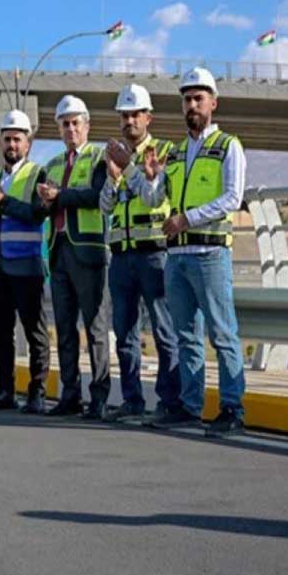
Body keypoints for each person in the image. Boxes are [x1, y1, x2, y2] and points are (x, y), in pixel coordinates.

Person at [129, 67, 248, 437]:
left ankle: (232, 408)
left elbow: (233, 197)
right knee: (187, 337)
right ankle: (190, 406)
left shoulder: (229, 146)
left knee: (223, 334)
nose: (192, 105)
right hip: (177, 257)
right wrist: (144, 177)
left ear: (213, 103)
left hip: (210, 254)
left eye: (199, 98)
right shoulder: (177, 153)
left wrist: (187, 219)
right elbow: (153, 200)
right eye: (187, 99)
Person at [99, 84, 181, 423]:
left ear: (149, 117)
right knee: (125, 332)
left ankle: (169, 400)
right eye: (124, 115)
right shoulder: (114, 156)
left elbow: (153, 199)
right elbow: (105, 206)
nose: (130, 120)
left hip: (154, 254)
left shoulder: (163, 151)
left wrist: (129, 168)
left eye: (136, 114)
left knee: (164, 330)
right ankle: (132, 398)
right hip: (120, 256)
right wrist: (113, 180)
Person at [37, 95, 112, 419]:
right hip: (58, 251)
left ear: (86, 125)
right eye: (64, 124)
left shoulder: (98, 158)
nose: (70, 129)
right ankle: (70, 394)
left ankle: (99, 398)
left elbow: (97, 196)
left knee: (95, 328)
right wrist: (45, 201)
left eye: (75, 123)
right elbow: (46, 205)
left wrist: (59, 196)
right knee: (64, 328)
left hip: (88, 251)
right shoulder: (52, 165)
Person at [0, 109, 51, 414]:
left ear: (27, 143)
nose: (12, 145)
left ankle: (37, 393)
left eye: (17, 139)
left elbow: (37, 213)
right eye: (7, 139)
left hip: (26, 264)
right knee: (2, 333)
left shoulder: (37, 174)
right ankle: (6, 391)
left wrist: (3, 202)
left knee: (35, 332)